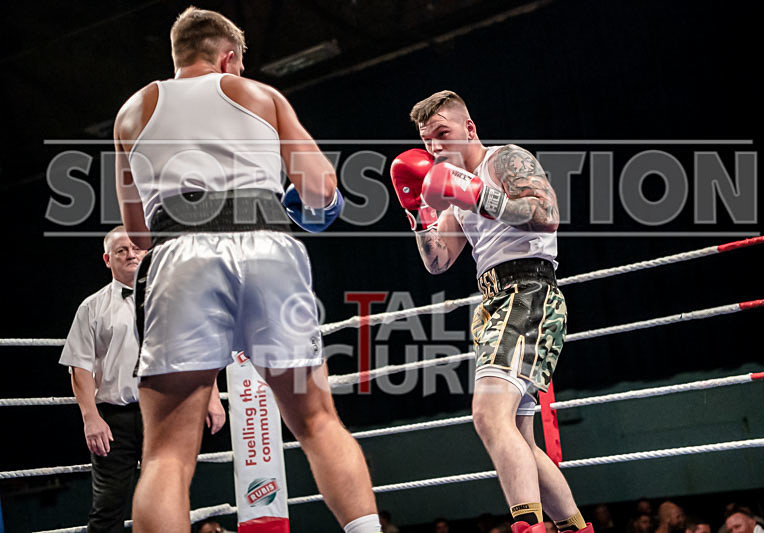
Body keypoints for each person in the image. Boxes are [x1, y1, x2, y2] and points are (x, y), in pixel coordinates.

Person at [113, 7, 378, 533]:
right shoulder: (258, 95)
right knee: (318, 421)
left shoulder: (132, 112)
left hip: (180, 255)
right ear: (228, 57)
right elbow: (323, 192)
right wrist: (303, 204)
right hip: (268, 248)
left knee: (166, 454)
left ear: (178, 54)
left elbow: (138, 236)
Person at [390, 90, 590, 533]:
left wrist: (480, 195)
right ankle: (576, 528)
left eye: (442, 134)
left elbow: (547, 213)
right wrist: (417, 212)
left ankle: (528, 528)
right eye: (427, 142)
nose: (435, 148)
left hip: (529, 291)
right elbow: (438, 261)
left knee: (486, 414)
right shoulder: (449, 185)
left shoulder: (504, 160)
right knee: (517, 438)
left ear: (469, 128)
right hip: (494, 302)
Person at [59, 226, 225, 532]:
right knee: (108, 505)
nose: (131, 254)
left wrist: (212, 395)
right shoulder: (92, 307)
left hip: (167, 414)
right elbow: (79, 367)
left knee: (170, 497)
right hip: (115, 418)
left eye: (137, 248)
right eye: (121, 250)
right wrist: (90, 418)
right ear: (108, 259)